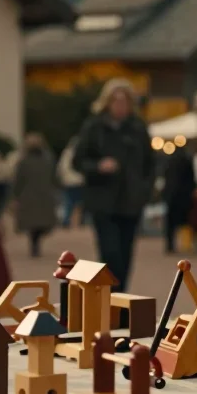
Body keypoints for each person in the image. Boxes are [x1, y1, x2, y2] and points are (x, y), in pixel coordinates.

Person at [72, 78, 154, 293]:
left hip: (131, 202)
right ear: (106, 102)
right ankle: (108, 299)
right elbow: (78, 161)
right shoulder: (94, 127)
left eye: (124, 100)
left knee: (126, 257)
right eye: (115, 100)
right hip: (103, 202)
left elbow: (150, 163)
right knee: (110, 254)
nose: (120, 105)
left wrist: (144, 191)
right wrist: (99, 166)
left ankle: (121, 301)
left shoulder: (138, 129)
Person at [12, 133, 58, 258]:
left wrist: (15, 195)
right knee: (40, 223)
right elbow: (55, 178)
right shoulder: (48, 160)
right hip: (43, 196)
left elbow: (18, 180)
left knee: (33, 224)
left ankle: (34, 243)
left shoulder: (23, 161)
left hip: (29, 197)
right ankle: (36, 243)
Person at [161, 143, 197, 252]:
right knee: (187, 221)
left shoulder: (169, 160)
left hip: (172, 195)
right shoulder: (187, 160)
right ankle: (187, 244)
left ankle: (170, 244)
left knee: (170, 222)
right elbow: (192, 178)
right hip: (184, 195)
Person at [57, 137, 86, 227]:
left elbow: (61, 168)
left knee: (69, 202)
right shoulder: (83, 152)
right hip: (81, 181)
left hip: (69, 181)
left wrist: (62, 178)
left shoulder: (67, 153)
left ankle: (66, 220)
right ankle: (83, 221)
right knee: (84, 202)